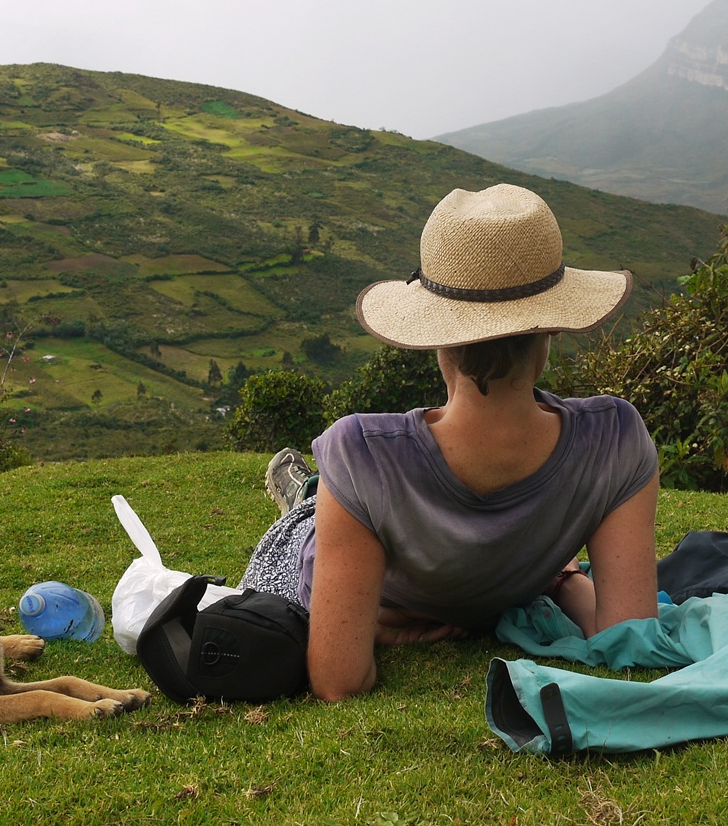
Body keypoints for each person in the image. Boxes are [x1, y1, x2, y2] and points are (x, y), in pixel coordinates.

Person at [240, 183, 660, 700]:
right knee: (325, 503)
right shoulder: (615, 440)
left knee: (315, 511)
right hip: (463, 565)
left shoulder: (362, 453)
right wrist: (564, 579)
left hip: (325, 557)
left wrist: (363, 624)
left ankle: (307, 494)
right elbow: (629, 635)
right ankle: (307, 494)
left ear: (439, 337)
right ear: (552, 329)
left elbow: (338, 682)